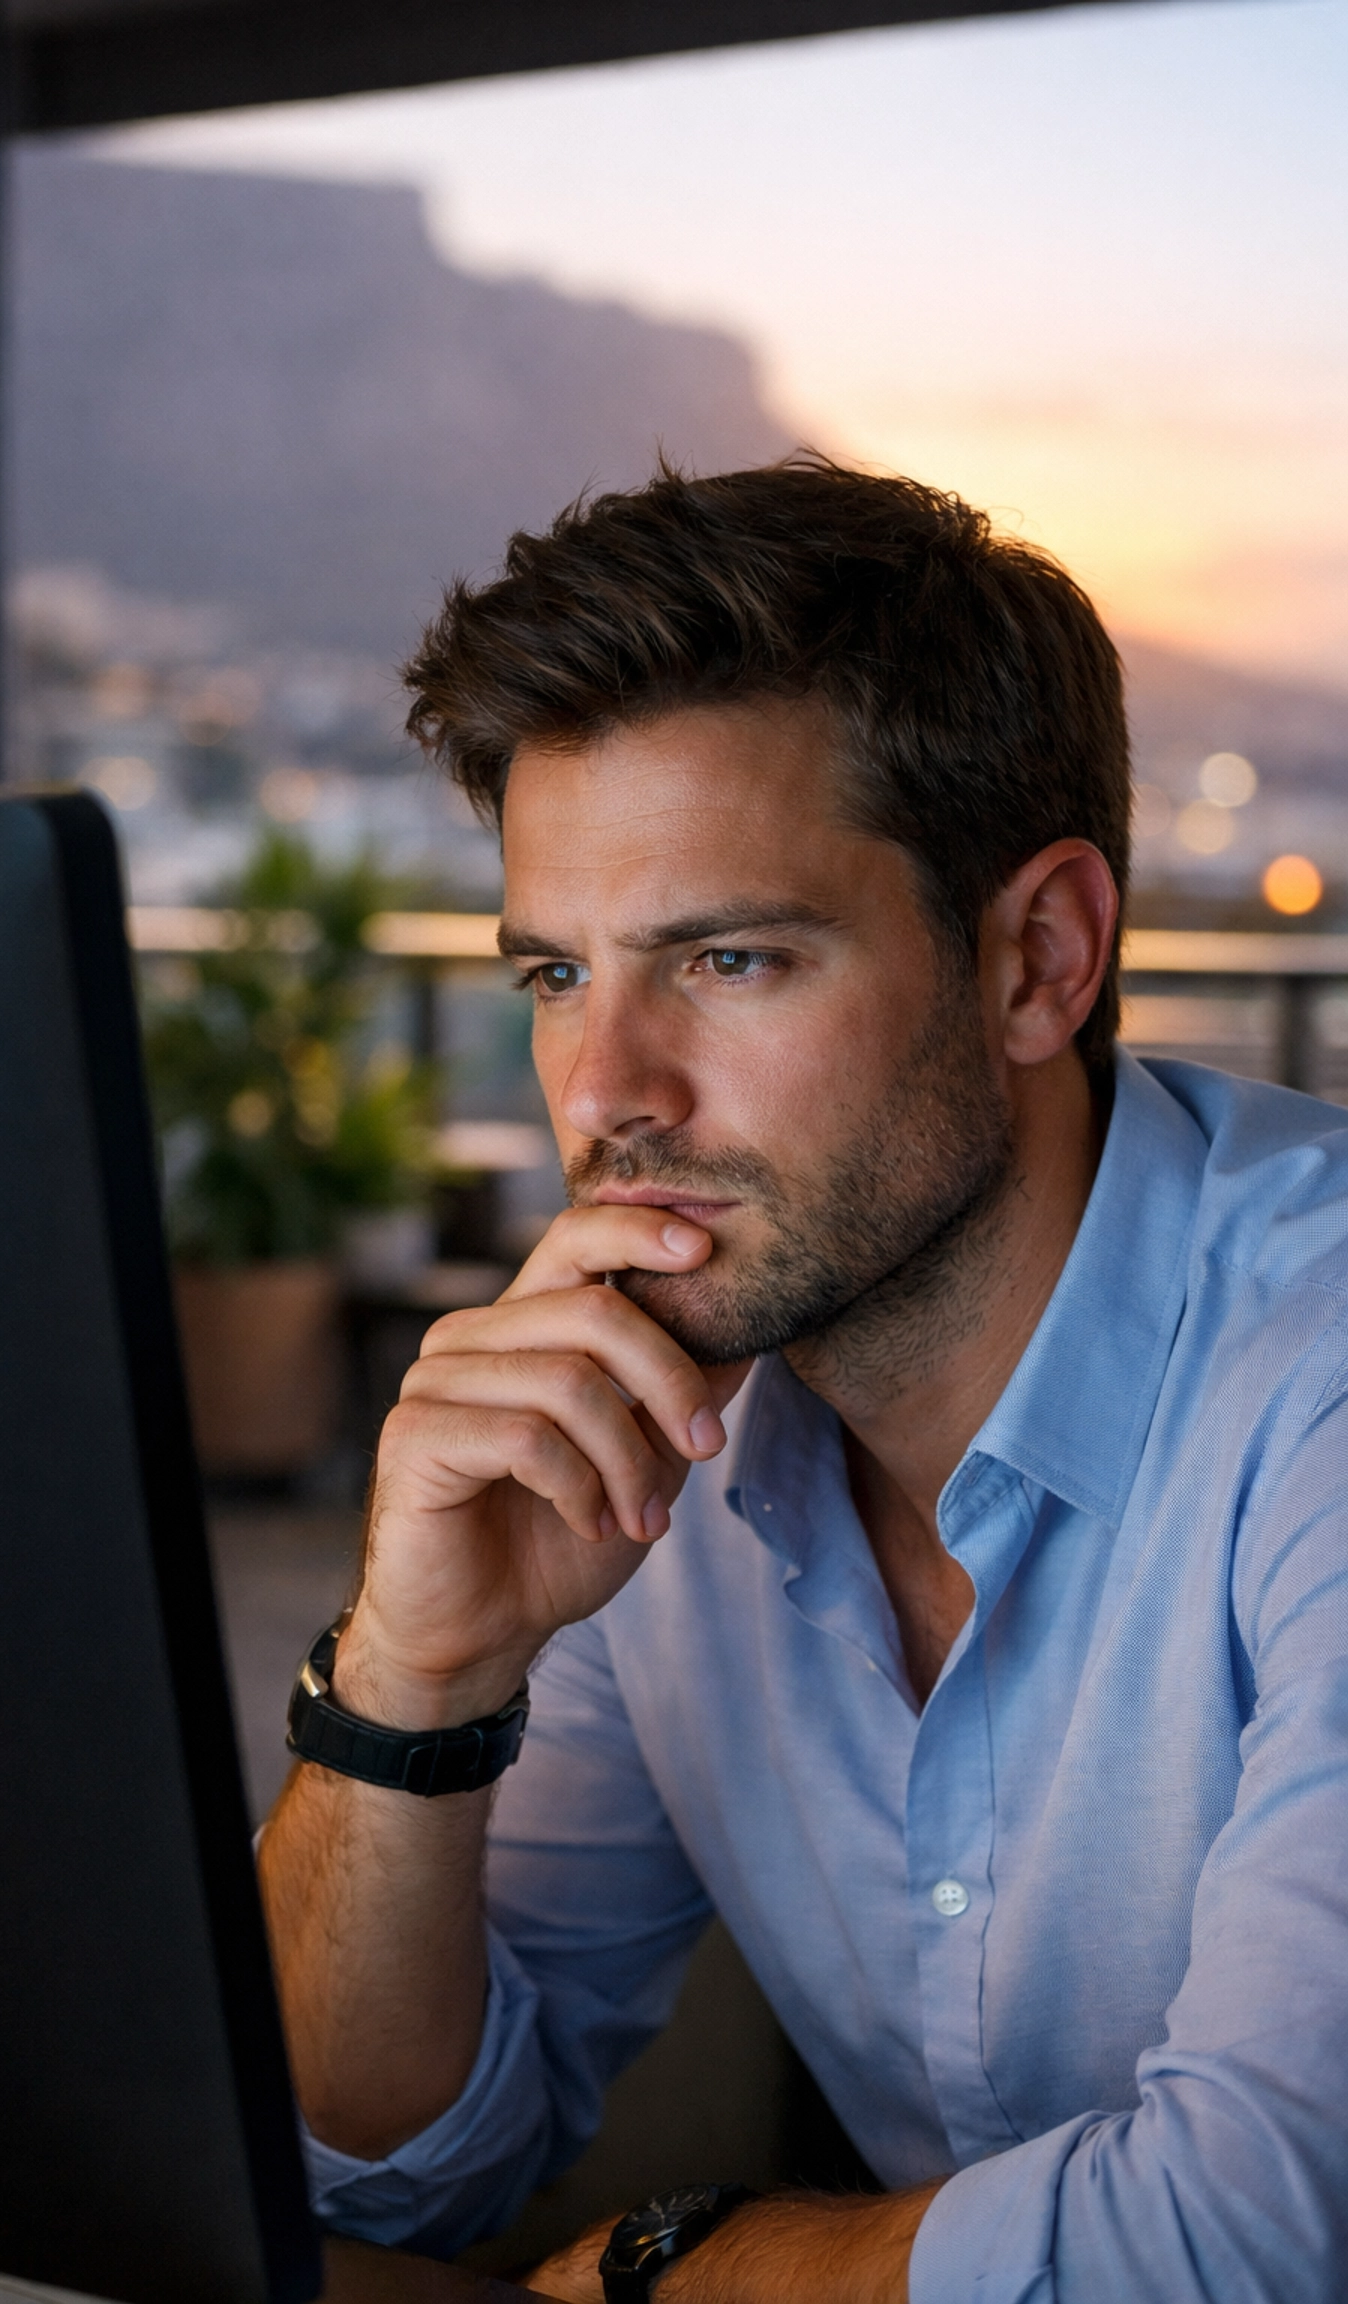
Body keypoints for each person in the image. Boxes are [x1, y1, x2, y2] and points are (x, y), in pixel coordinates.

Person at [256, 458, 1348, 2302]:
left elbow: (1263, 2234)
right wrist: (408, 1685)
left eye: (729, 957)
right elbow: (370, 2180)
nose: (604, 1094)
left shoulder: (1308, 1378)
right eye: (554, 977)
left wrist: (681, 2269)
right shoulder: (647, 1417)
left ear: (1039, 958)